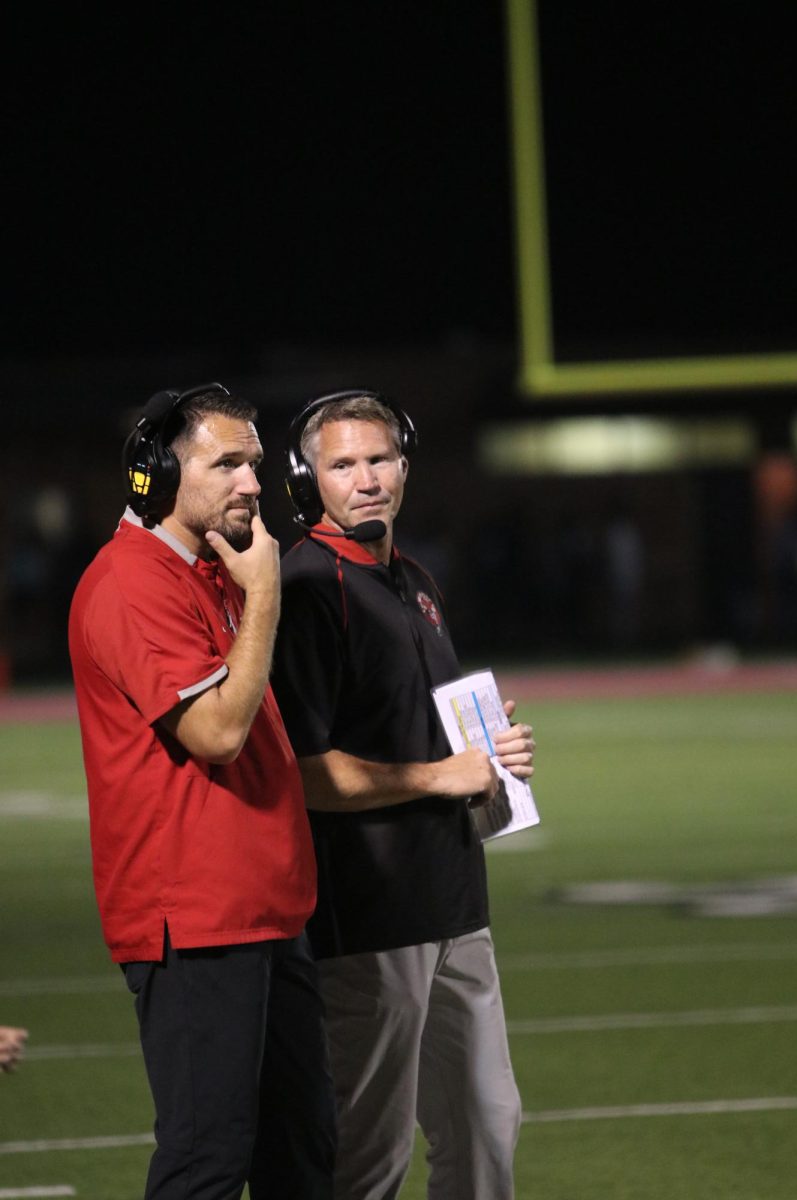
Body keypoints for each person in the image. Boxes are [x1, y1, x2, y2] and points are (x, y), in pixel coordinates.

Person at [68, 384, 335, 1200]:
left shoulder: (212, 566)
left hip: (262, 907)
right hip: (194, 918)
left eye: (253, 462)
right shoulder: (130, 581)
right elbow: (216, 734)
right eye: (227, 464)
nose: (254, 483)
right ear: (154, 475)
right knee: (206, 1163)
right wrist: (265, 595)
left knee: (302, 1156)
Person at [272, 390, 534, 1200]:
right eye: (342, 464)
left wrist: (494, 754)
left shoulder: (413, 577)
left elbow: (430, 732)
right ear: (307, 481)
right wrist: (438, 776)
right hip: (371, 921)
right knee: (370, 1160)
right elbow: (304, 773)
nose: (366, 478)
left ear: (405, 466)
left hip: (457, 900)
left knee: (490, 1127)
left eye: (379, 459)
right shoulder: (308, 587)